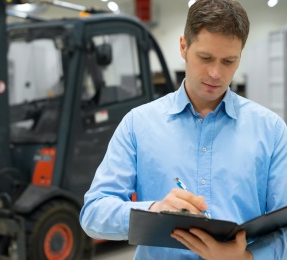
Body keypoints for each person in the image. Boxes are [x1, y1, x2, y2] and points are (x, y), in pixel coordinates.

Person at [80, 0, 287, 259]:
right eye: (205, 58)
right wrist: (153, 210)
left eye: (228, 61)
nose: (215, 73)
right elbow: (92, 214)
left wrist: (246, 258)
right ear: (183, 47)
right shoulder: (138, 124)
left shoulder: (272, 131)